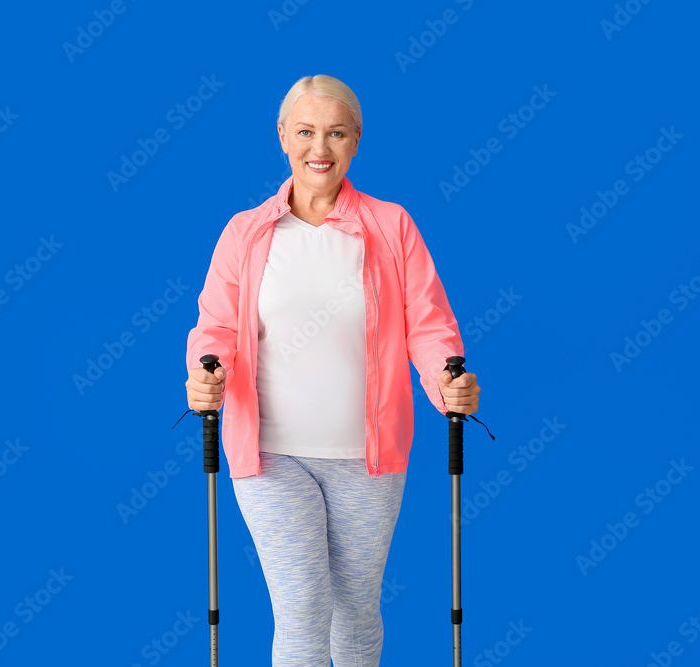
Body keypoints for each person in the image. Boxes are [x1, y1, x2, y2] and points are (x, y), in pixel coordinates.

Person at [184, 74, 481, 667]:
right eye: (306, 131)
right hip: (268, 455)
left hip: (368, 457)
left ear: (356, 140)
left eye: (336, 133)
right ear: (283, 137)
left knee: (357, 609)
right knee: (302, 610)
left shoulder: (391, 226)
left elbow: (427, 325)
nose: (319, 147)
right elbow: (215, 327)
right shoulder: (245, 233)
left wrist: (446, 383)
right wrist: (203, 373)